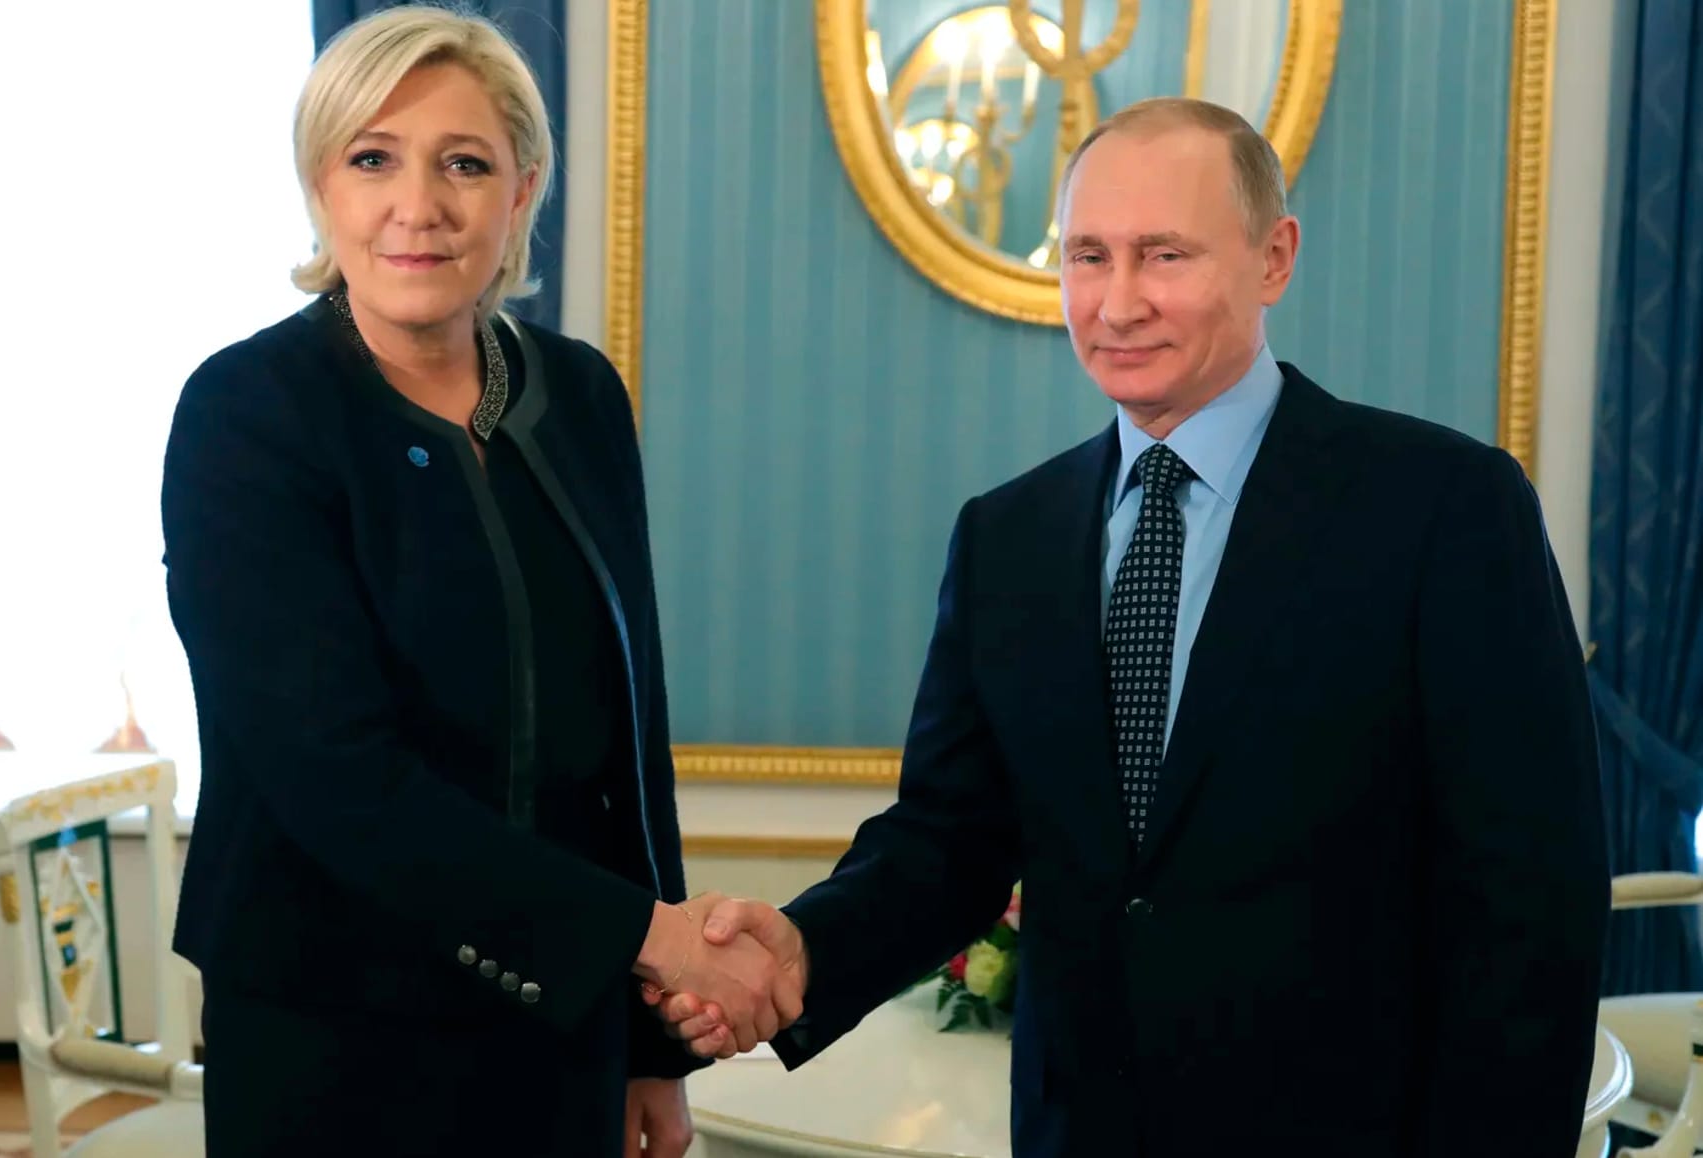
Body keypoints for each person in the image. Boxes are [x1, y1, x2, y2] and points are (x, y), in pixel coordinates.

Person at [649, 97, 1608, 1156]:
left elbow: (1532, 904)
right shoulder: (1007, 537)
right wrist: (800, 951)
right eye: (1088, 256)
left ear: (1273, 258)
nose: (1117, 303)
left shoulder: (1444, 508)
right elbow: (949, 842)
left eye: (1164, 256)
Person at [160, 7, 798, 1156]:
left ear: (521, 192)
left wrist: (652, 1047)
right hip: (331, 1032)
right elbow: (332, 776)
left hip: (562, 1023)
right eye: (372, 159)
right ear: (320, 186)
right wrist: (652, 939)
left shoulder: (579, 394)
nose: (418, 205)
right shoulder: (244, 414)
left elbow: (629, 739)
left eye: (463, 163)